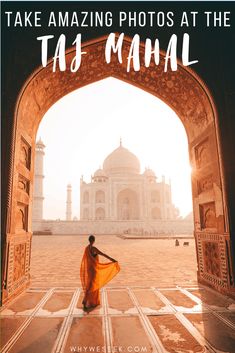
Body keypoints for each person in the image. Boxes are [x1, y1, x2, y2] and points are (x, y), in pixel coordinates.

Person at [80, 235, 120, 310]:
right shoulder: (94, 249)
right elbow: (103, 254)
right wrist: (112, 260)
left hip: (89, 270)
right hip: (94, 270)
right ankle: (85, 301)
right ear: (94, 240)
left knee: (90, 285)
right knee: (92, 286)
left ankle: (90, 301)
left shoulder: (87, 248)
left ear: (89, 240)